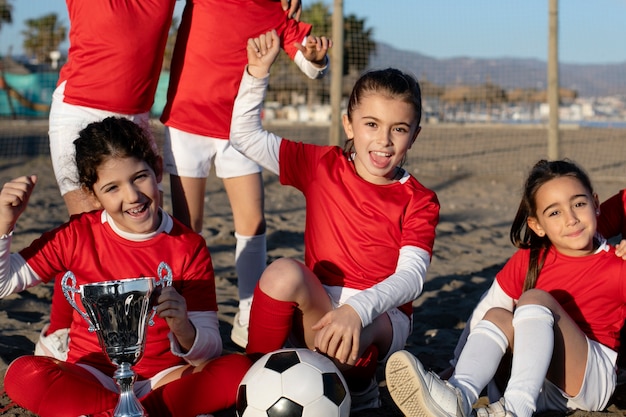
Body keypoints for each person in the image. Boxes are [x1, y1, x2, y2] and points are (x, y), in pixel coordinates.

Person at [229, 30, 440, 412]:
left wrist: (357, 311)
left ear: (415, 136)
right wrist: (256, 73)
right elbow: (243, 136)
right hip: (317, 304)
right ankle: (254, 376)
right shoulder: (320, 165)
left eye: (399, 129)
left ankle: (360, 390)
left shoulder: (420, 199)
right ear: (349, 125)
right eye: (371, 124)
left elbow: (411, 279)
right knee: (280, 273)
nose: (384, 141)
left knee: (354, 332)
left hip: (381, 318)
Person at [2, 117, 252, 416]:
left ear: (157, 169)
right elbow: (5, 283)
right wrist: (5, 224)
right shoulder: (77, 234)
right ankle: (124, 410)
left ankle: (125, 411)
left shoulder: (188, 245)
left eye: (139, 177)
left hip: (162, 380)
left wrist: (184, 327)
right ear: (92, 194)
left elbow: (208, 350)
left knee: (237, 370)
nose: (132, 196)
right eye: (112, 188)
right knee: (22, 374)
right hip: (94, 377)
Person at [385, 159, 626, 417]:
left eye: (579, 204)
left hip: (587, 383)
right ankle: (458, 395)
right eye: (554, 212)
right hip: (535, 385)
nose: (571, 219)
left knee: (534, 299)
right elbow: (489, 307)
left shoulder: (617, 266)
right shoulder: (531, 258)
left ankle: (514, 410)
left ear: (596, 204)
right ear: (537, 225)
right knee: (498, 315)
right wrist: (457, 367)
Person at [159, 0, 326, 348]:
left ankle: (249, 313)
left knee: (252, 224)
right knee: (189, 230)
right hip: (187, 123)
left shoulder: (276, 10)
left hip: (240, 130)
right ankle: (190, 314)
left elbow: (310, 66)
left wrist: (315, 56)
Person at [40, 0, 179, 360]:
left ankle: (148, 339)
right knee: (89, 233)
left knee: (145, 230)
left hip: (134, 120)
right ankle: (59, 332)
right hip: (80, 111)